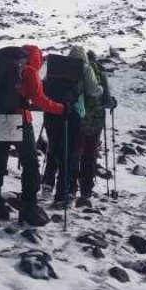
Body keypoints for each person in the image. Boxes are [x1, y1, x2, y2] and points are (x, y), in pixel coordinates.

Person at [0, 45, 65, 224]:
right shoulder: (29, 71)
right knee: (30, 163)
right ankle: (28, 206)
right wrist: (61, 108)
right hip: (20, 118)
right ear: (35, 58)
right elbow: (39, 99)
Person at [43, 45, 102, 208]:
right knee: (69, 154)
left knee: (53, 147)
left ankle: (47, 184)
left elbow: (45, 85)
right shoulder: (85, 67)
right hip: (73, 112)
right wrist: (101, 90)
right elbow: (92, 90)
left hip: (52, 112)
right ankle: (62, 195)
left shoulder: (56, 65)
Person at [77, 50, 116, 204]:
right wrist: (113, 103)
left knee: (73, 151)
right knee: (89, 152)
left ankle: (68, 187)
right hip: (95, 119)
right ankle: (86, 190)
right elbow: (107, 100)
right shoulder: (99, 71)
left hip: (75, 116)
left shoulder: (72, 69)